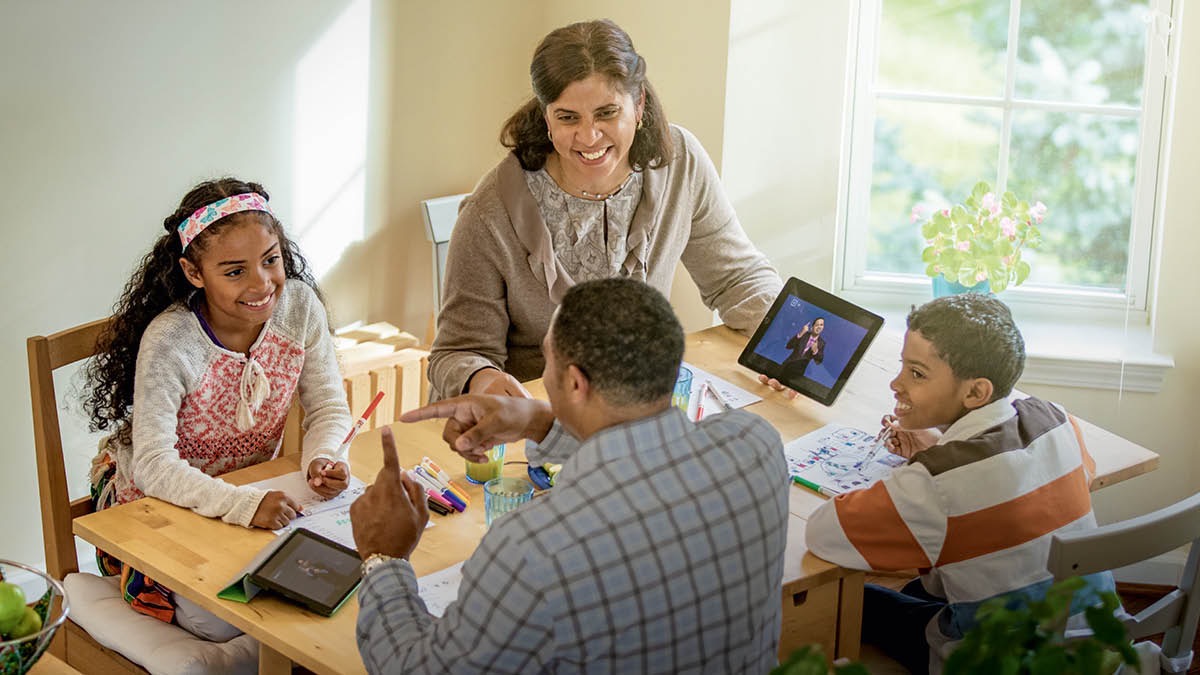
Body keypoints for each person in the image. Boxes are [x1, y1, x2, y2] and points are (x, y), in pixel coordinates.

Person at [351, 278, 789, 673]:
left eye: (547, 361)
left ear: (576, 383)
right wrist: (541, 420)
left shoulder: (532, 549)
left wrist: (383, 557)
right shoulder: (756, 447)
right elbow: (651, 456)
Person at [428, 18, 782, 402]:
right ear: (547, 117)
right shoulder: (490, 211)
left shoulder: (681, 162)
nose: (589, 136)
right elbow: (458, 352)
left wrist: (783, 343)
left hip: (643, 405)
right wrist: (481, 379)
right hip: (540, 418)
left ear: (639, 104)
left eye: (607, 113)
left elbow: (737, 278)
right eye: (568, 117)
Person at [82, 177, 353, 639]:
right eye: (234, 272)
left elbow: (328, 404)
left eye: (271, 260)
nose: (262, 284)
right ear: (193, 273)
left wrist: (325, 457)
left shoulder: (300, 307)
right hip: (146, 506)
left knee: (333, 581)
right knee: (223, 620)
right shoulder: (172, 341)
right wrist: (244, 506)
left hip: (242, 494)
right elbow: (152, 466)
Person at [804, 294, 1116, 674]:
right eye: (902, 366)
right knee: (929, 586)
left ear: (975, 393)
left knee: (857, 600)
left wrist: (926, 469)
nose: (895, 382)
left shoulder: (935, 482)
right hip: (1094, 645)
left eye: (916, 373)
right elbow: (1072, 475)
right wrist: (943, 447)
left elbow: (823, 533)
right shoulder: (1056, 419)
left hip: (994, 662)